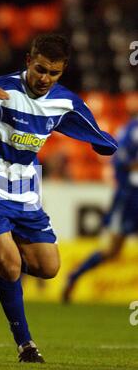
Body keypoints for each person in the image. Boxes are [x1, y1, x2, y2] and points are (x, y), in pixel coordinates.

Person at [0, 33, 118, 363]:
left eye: (53, 73)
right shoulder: (4, 89)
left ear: (63, 70)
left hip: (25, 192)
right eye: (40, 69)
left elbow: (91, 129)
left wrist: (105, 144)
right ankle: (26, 345)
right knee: (10, 267)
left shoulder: (64, 101)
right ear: (28, 61)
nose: (45, 78)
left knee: (48, 267)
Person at [62, 115, 138, 303]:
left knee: (113, 250)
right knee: (113, 250)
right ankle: (75, 275)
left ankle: (75, 275)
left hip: (129, 195)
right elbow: (122, 160)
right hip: (130, 196)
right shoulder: (133, 129)